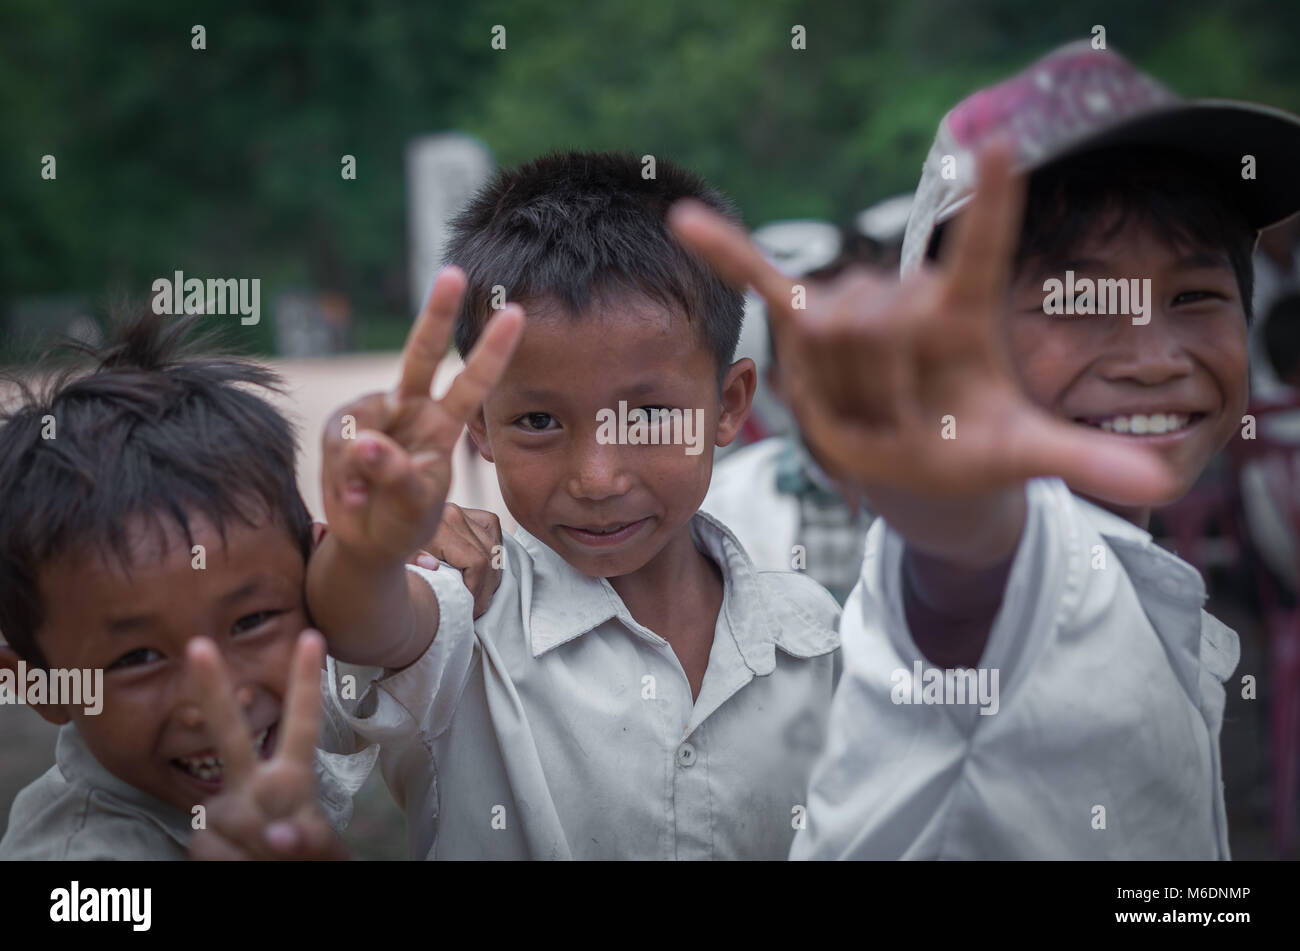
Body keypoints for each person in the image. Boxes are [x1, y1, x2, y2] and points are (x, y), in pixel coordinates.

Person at [671, 40, 1300, 858]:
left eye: (1193, 295)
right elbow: (969, 568)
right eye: (1078, 299)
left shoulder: (1130, 568)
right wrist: (939, 496)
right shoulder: (1022, 558)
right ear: (950, 342)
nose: (1155, 357)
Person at [295, 151, 841, 860]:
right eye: (540, 422)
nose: (597, 477)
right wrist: (367, 550)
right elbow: (368, 624)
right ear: (481, 426)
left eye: (647, 416)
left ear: (728, 405)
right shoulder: (468, 611)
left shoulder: (811, 637)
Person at [0, 315, 495, 860]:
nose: (221, 697)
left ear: (312, 579)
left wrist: (367, 559)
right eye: (138, 657)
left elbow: (393, 630)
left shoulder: (297, 671)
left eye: (249, 622)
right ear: (38, 685)